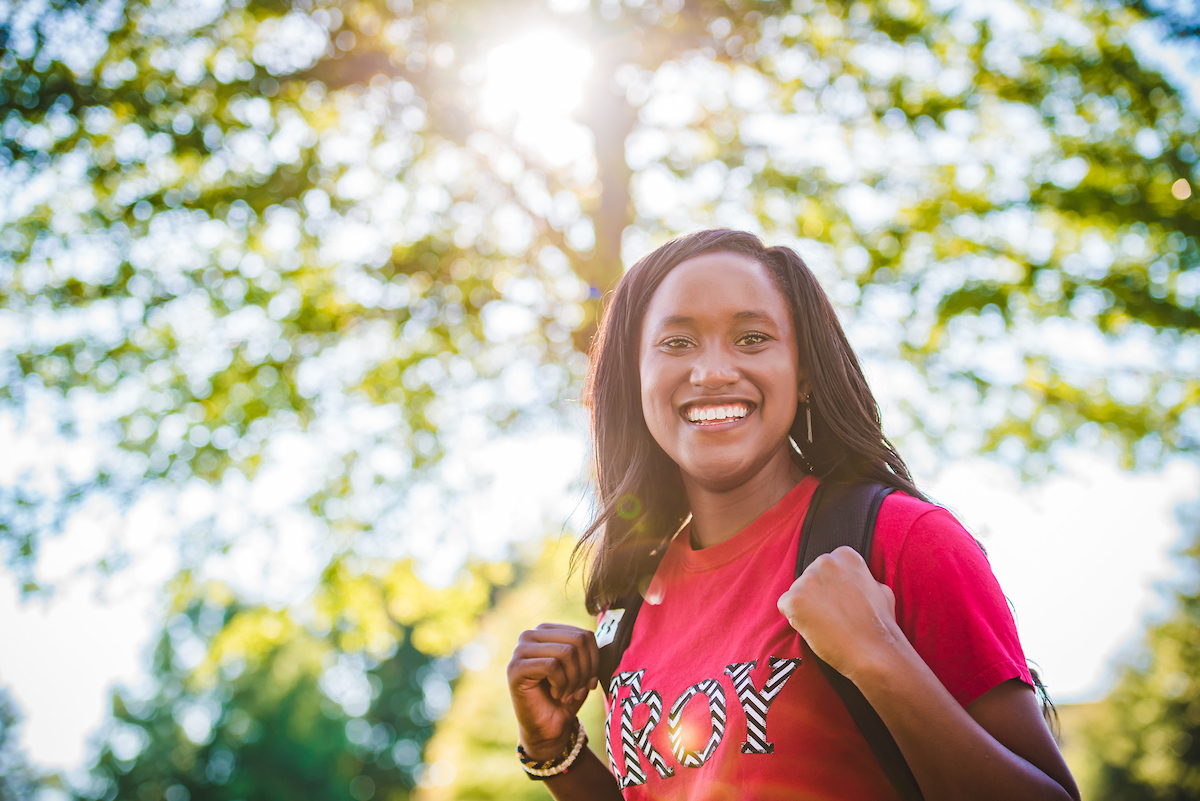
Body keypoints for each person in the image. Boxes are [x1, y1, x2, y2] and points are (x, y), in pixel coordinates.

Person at [506, 229, 1080, 800]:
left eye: (752, 338)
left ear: (803, 371)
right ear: (634, 381)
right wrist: (558, 753)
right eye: (677, 343)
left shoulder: (903, 542)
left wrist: (878, 657)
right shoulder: (629, 606)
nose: (712, 372)